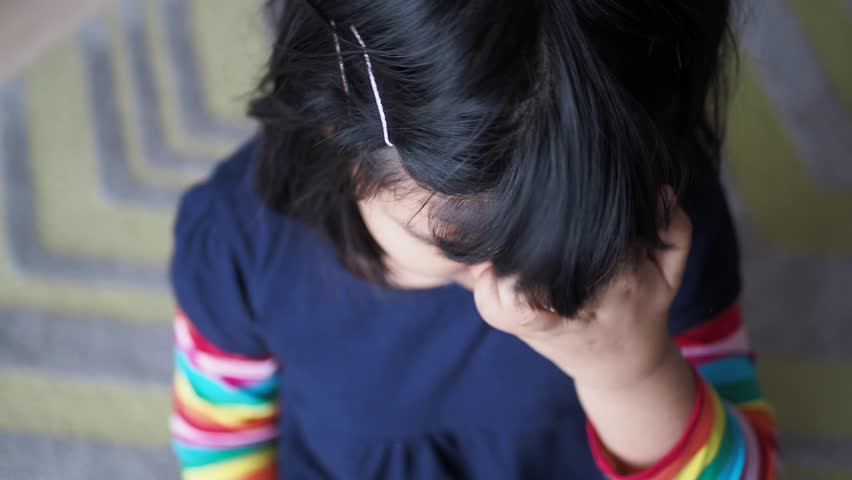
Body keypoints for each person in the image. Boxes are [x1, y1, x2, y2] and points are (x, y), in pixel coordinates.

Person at [169, 0, 777, 478]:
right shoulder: (239, 244)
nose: (509, 301)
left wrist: (630, 370)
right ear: (339, 130)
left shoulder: (663, 229)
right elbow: (221, 445)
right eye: (458, 249)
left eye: (560, 254)